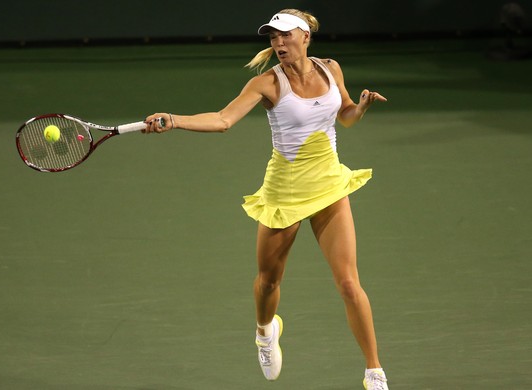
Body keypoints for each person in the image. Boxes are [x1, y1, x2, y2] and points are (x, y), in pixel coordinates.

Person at [145, 9, 389, 390]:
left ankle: (374, 372)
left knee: (348, 283)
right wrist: (175, 119)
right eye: (273, 38)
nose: (278, 44)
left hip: (328, 187)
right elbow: (224, 120)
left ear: (305, 37)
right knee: (269, 283)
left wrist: (361, 108)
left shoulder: (331, 69)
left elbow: (344, 116)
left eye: (285, 36)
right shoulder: (266, 84)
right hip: (284, 193)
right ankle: (265, 331)